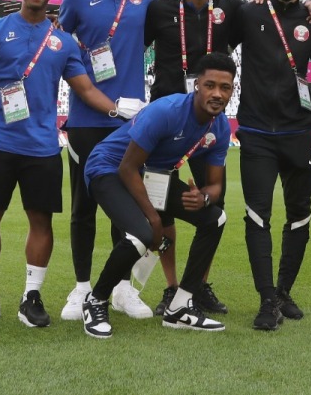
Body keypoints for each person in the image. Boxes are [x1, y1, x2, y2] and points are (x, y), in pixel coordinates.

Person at [0, 0, 118, 329]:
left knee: (41, 221)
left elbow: (85, 89)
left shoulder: (63, 42)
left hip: (43, 148)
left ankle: (31, 296)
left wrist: (118, 110)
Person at [79, 53, 236, 338]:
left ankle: (180, 306)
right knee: (141, 233)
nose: (217, 93)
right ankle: (95, 300)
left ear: (232, 90)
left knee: (216, 218)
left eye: (225, 88)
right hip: (109, 167)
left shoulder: (221, 127)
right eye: (210, 85)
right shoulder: (166, 110)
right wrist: (153, 218)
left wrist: (204, 199)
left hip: (151, 174)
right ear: (196, 85)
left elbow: (215, 186)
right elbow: (128, 168)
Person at [227, 0, 311, 331]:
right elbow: (219, 29)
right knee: (258, 215)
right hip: (256, 132)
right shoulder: (250, 13)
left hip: (298, 132)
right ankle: (266, 299)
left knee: (300, 214)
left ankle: (284, 289)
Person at [58, 0, 157, 322]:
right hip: (85, 119)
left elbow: (159, 33)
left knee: (127, 208)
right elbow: (59, 49)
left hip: (131, 122)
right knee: (83, 208)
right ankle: (82, 287)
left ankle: (121, 288)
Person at [143, 0, 244, 316]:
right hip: (167, 120)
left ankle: (197, 285)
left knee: (211, 202)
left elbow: (264, 24)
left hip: (208, 121)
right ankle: (171, 288)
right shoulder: (159, 9)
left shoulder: (230, 9)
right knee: (163, 208)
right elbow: (132, 47)